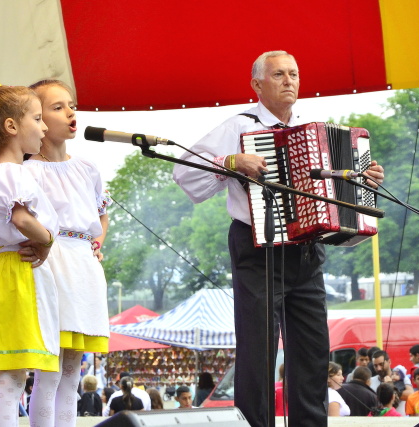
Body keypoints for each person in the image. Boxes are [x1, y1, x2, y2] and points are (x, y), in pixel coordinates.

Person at [172, 50, 384, 427]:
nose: (289, 81)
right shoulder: (239, 125)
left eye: (294, 74)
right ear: (256, 84)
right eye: (279, 74)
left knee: (313, 352)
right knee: (258, 352)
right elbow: (184, 173)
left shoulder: (315, 129)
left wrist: (361, 183)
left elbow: (333, 199)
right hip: (257, 248)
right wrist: (230, 162)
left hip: (307, 252)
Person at [0, 82, 60, 427]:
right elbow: (21, 218)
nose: (44, 127)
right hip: (18, 274)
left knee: (13, 375)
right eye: (37, 118)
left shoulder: (0, 173)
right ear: (11, 126)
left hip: (8, 270)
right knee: (14, 375)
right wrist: (47, 239)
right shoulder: (11, 172)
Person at [22, 79, 112, 427]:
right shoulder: (28, 170)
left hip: (84, 267)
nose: (70, 112)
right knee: (49, 371)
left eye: (71, 105)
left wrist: (97, 242)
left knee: (73, 371)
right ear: (37, 118)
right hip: (51, 263)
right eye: (57, 107)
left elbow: (101, 214)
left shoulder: (87, 167)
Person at [370, 350, 413, 415]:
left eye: (381, 364)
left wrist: (390, 386)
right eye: (375, 366)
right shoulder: (371, 381)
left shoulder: (401, 377)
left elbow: (410, 395)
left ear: (389, 362)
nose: (379, 368)